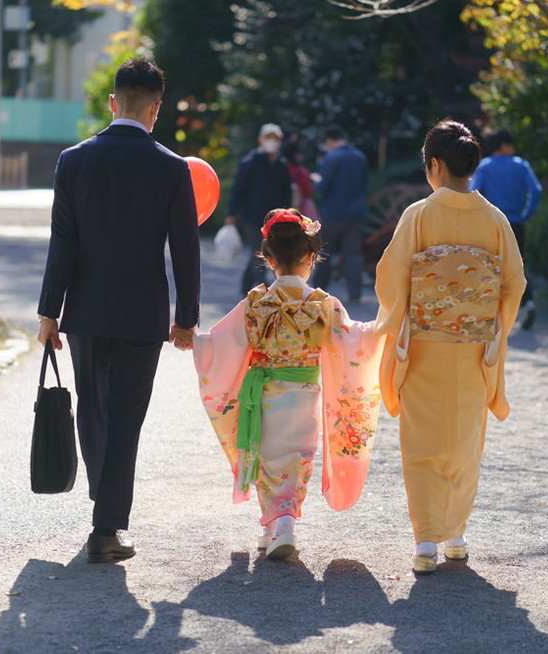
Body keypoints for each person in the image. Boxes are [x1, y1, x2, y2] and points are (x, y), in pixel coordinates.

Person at [36, 57, 201, 564]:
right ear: (155, 110)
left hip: (85, 309)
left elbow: (62, 243)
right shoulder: (173, 169)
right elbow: (185, 249)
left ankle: (103, 503)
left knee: (93, 408)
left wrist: (49, 313)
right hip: (142, 313)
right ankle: (107, 528)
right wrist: (186, 318)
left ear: (112, 103)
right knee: (126, 417)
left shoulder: (73, 161)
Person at [374, 119, 526, 574]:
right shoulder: (496, 220)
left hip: (423, 348)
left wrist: (393, 321)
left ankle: (425, 541)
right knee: (464, 442)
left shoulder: (418, 215)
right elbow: (514, 284)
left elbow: (393, 277)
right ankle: (456, 534)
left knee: (422, 445)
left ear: (435, 165)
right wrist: (492, 327)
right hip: (475, 349)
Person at [193, 209, 385, 561]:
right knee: (297, 458)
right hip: (304, 395)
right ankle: (282, 525)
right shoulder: (323, 304)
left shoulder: (255, 302)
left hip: (263, 393)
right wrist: (382, 326)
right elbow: (355, 338)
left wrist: (194, 340)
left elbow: (222, 342)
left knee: (267, 456)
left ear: (267, 258)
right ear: (311, 257)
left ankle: (275, 524)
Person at [470, 130, 541, 329]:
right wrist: (526, 215)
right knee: (516, 266)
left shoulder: (484, 167)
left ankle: (487, 315)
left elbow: (473, 191)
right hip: (516, 222)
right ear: (504, 145)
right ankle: (528, 303)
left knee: (488, 265)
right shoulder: (521, 165)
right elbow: (536, 190)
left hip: (490, 223)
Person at [224, 123, 292, 294]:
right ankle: (265, 290)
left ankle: (245, 286)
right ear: (260, 139)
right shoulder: (250, 162)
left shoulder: (281, 165)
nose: (272, 142)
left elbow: (286, 193)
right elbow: (238, 189)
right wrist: (231, 213)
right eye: (268, 137)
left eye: (275, 138)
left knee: (260, 250)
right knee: (260, 251)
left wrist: (289, 215)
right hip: (252, 217)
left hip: (274, 218)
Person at [312, 125, 368, 304]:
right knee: (353, 255)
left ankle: (318, 291)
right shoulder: (360, 156)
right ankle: (355, 293)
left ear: (329, 141)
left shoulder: (332, 157)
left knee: (325, 252)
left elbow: (323, 186)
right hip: (356, 212)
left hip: (334, 212)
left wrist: (315, 181)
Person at [282, 138, 319, 220]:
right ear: (296, 154)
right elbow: (308, 192)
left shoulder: (281, 169)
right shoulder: (302, 171)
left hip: (284, 208)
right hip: (302, 209)